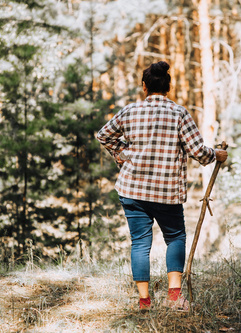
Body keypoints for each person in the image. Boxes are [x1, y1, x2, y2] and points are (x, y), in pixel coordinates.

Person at [96, 61, 228, 310]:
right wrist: (216, 155)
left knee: (140, 242)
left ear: (144, 87)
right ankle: (175, 297)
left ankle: (144, 301)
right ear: (168, 87)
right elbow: (198, 151)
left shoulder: (130, 111)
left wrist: (123, 154)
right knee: (176, 237)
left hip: (132, 189)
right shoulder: (179, 113)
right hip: (166, 192)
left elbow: (104, 135)